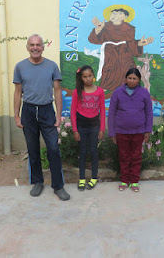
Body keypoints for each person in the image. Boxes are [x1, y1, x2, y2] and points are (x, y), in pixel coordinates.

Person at [13, 34, 70, 201]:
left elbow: (57, 91)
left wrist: (58, 115)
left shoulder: (52, 66)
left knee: (53, 148)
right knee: (33, 148)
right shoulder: (20, 67)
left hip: (47, 111)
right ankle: (37, 181)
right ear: (27, 47)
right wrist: (16, 116)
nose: (35, 48)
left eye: (38, 45)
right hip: (28, 111)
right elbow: (17, 92)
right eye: (32, 45)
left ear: (43, 47)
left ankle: (58, 186)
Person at [108, 68, 153, 192]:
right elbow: (111, 113)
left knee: (136, 156)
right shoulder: (117, 92)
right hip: (121, 131)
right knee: (124, 156)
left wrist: (147, 130)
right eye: (129, 78)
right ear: (125, 79)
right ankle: (124, 180)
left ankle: (134, 181)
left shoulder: (144, 93)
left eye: (134, 79)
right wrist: (112, 132)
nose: (131, 81)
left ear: (139, 80)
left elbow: (149, 112)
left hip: (138, 131)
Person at [88, 7, 154, 91]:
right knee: (109, 69)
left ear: (125, 17)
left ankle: (129, 90)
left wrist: (140, 43)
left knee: (126, 69)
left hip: (124, 53)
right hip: (110, 53)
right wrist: (99, 28)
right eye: (114, 13)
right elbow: (95, 40)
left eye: (119, 13)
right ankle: (106, 90)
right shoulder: (105, 26)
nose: (116, 15)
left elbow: (131, 44)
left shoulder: (129, 28)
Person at [70, 65, 105, 191]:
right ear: (81, 78)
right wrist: (75, 130)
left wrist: (102, 129)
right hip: (81, 127)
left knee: (94, 152)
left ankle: (94, 177)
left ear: (93, 75)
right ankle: (82, 178)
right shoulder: (77, 92)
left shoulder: (99, 91)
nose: (88, 79)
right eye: (85, 77)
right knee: (83, 153)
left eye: (90, 76)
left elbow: (102, 111)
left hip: (94, 126)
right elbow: (73, 111)